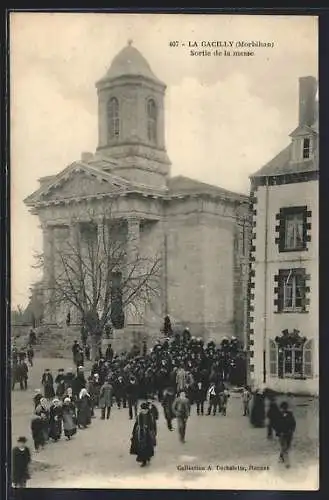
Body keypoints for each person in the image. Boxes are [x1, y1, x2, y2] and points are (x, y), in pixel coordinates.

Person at [130, 402, 156, 467]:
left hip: (148, 434)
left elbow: (153, 426)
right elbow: (136, 424)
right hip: (140, 433)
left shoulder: (150, 416)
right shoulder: (139, 415)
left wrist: (153, 432)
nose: (144, 411)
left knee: (148, 446)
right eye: (142, 409)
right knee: (141, 447)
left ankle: (147, 457)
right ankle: (143, 460)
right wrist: (134, 432)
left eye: (145, 409)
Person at [276, 401, 296, 468]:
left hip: (289, 434)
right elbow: (277, 425)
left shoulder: (290, 414)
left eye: (285, 408)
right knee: (284, 448)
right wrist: (279, 432)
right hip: (282, 434)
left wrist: (291, 430)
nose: (284, 409)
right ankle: (287, 463)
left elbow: (293, 423)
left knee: (287, 447)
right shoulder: (279, 415)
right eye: (283, 408)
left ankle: (281, 457)